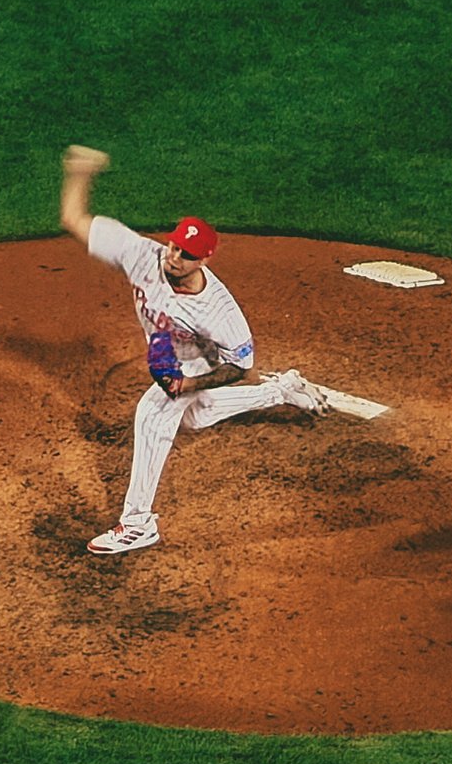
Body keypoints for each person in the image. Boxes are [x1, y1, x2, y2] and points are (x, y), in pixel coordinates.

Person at [58, 145, 383, 555]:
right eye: (174, 247)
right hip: (172, 353)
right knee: (198, 416)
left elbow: (240, 365)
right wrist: (79, 172)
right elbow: (74, 219)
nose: (175, 258)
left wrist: (190, 380)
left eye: (187, 255)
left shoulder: (219, 312)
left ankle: (137, 523)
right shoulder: (142, 254)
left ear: (205, 259)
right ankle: (283, 390)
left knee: (154, 412)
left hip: (200, 360)